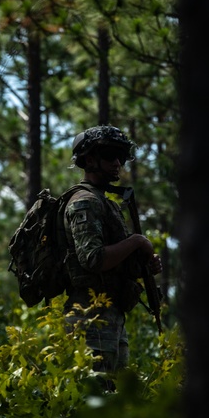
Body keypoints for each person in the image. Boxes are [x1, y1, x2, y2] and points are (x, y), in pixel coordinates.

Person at [62, 125, 163, 385]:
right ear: (88, 160)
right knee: (94, 403)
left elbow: (114, 263)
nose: (117, 162)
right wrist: (137, 241)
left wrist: (143, 268)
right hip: (90, 317)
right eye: (109, 155)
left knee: (114, 405)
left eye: (121, 156)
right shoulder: (85, 201)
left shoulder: (105, 202)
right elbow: (93, 259)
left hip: (110, 317)